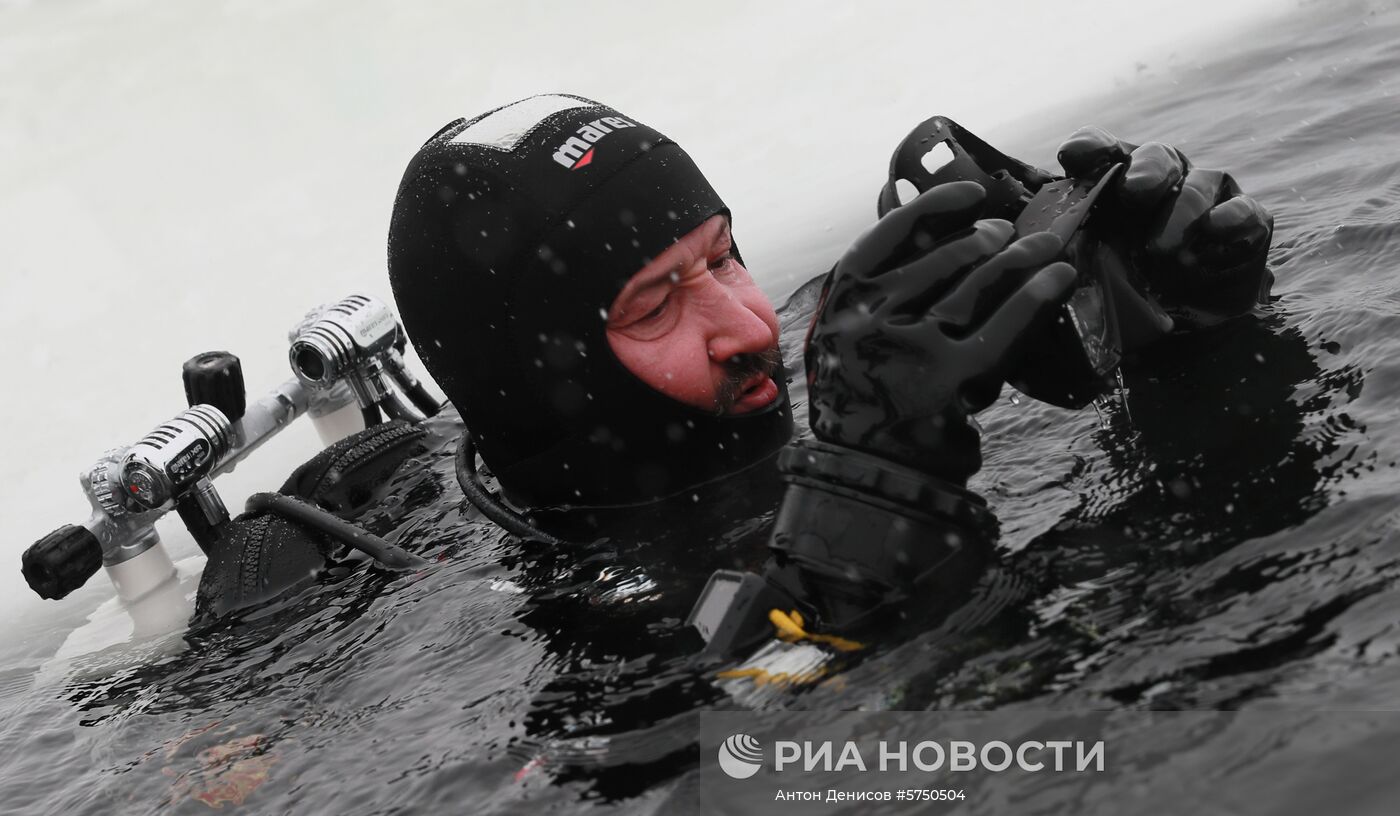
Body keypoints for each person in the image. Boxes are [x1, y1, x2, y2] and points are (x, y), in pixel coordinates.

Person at [197, 93, 1275, 647]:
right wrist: (869, 482)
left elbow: (1231, 573)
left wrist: (1192, 343)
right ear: (538, 373)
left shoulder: (857, 367)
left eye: (724, 255)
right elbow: (743, 798)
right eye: (657, 300)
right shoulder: (501, 612)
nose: (748, 324)